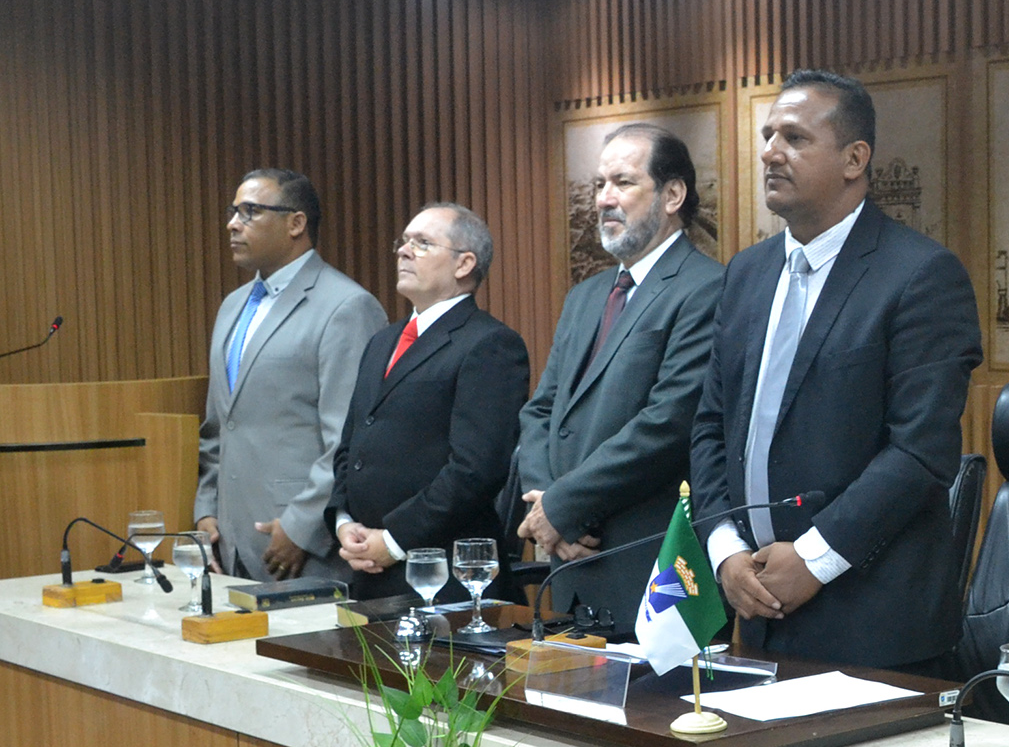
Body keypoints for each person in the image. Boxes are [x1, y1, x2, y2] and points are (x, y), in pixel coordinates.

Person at [691, 70, 982, 671]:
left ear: (855, 159)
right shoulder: (746, 273)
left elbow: (920, 451)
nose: (770, 153)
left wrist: (814, 558)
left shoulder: (920, 275)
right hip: (756, 609)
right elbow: (711, 425)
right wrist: (724, 550)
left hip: (874, 626)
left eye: (794, 138)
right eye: (769, 136)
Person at [512, 124, 725, 635]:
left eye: (623, 183)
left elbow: (668, 422)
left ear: (673, 195)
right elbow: (542, 411)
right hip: (570, 565)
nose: (604, 199)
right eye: (599, 185)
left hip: (651, 572)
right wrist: (545, 505)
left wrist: (563, 507)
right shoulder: (585, 296)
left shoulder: (708, 288)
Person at [328, 204, 530, 600]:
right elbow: (352, 443)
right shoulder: (382, 341)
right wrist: (342, 519)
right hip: (366, 568)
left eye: (422, 243)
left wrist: (394, 540)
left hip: (446, 575)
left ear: (464, 264)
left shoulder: (489, 343)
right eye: (404, 242)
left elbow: (475, 469)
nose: (404, 251)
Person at [196, 168, 385, 583]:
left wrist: (302, 525)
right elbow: (219, 425)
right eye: (233, 211)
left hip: (302, 546)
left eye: (250, 211)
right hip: (229, 541)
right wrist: (206, 510)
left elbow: (351, 437)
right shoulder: (232, 306)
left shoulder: (346, 306)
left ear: (296, 223)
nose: (233, 224)